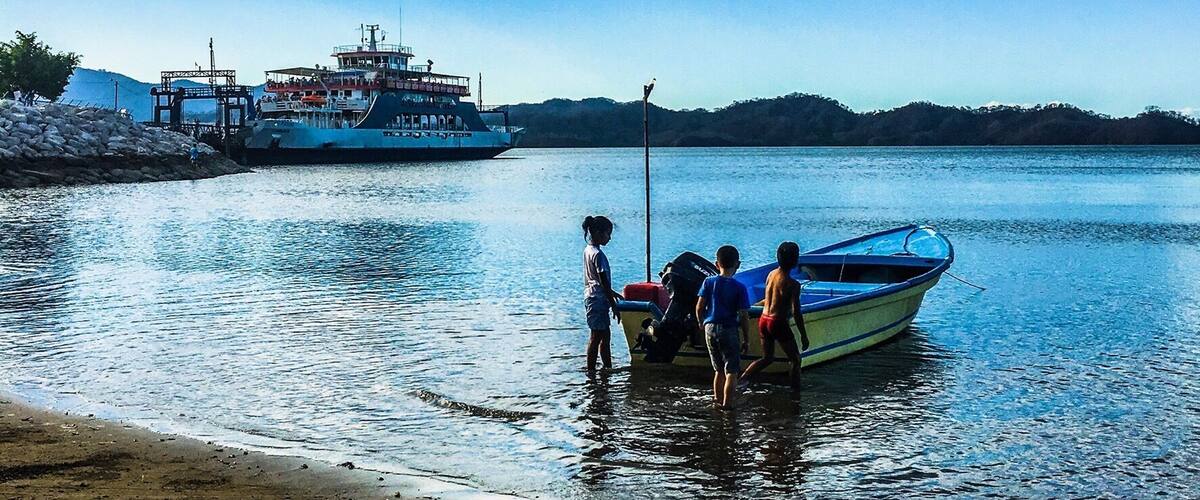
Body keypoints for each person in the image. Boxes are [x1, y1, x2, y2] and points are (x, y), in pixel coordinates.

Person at [741, 242, 811, 389]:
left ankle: (742, 380)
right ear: (795, 260)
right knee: (796, 359)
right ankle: (795, 392)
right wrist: (804, 335)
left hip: (764, 319)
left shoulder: (771, 274)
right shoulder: (793, 284)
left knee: (767, 358)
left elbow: (769, 298)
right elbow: (796, 312)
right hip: (777, 322)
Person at [695, 245, 751, 408]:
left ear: (716, 264)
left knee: (718, 370)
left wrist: (700, 322)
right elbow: (743, 315)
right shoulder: (739, 288)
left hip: (709, 328)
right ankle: (727, 406)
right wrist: (746, 339)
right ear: (738, 264)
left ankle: (716, 401)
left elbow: (699, 307)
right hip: (728, 329)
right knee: (731, 371)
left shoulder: (708, 282)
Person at [582, 216, 622, 373]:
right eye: (608, 234)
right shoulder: (598, 255)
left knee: (604, 336)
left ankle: (607, 369)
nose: (609, 238)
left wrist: (613, 294)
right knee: (597, 336)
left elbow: (597, 281)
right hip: (597, 299)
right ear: (598, 233)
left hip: (593, 296)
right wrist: (614, 306)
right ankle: (591, 371)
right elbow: (604, 283)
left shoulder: (588, 250)